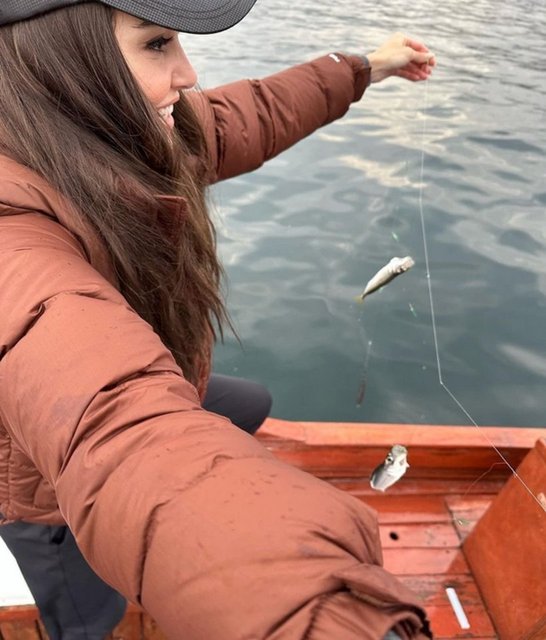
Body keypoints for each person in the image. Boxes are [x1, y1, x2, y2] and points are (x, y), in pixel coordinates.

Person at [0, 1, 436, 639]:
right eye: (156, 44)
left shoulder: (127, 131)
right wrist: (320, 618)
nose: (189, 74)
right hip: (48, 493)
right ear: (57, 59)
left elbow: (256, 111)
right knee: (92, 620)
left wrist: (370, 66)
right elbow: (114, 423)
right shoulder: (11, 230)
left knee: (252, 402)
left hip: (157, 388)